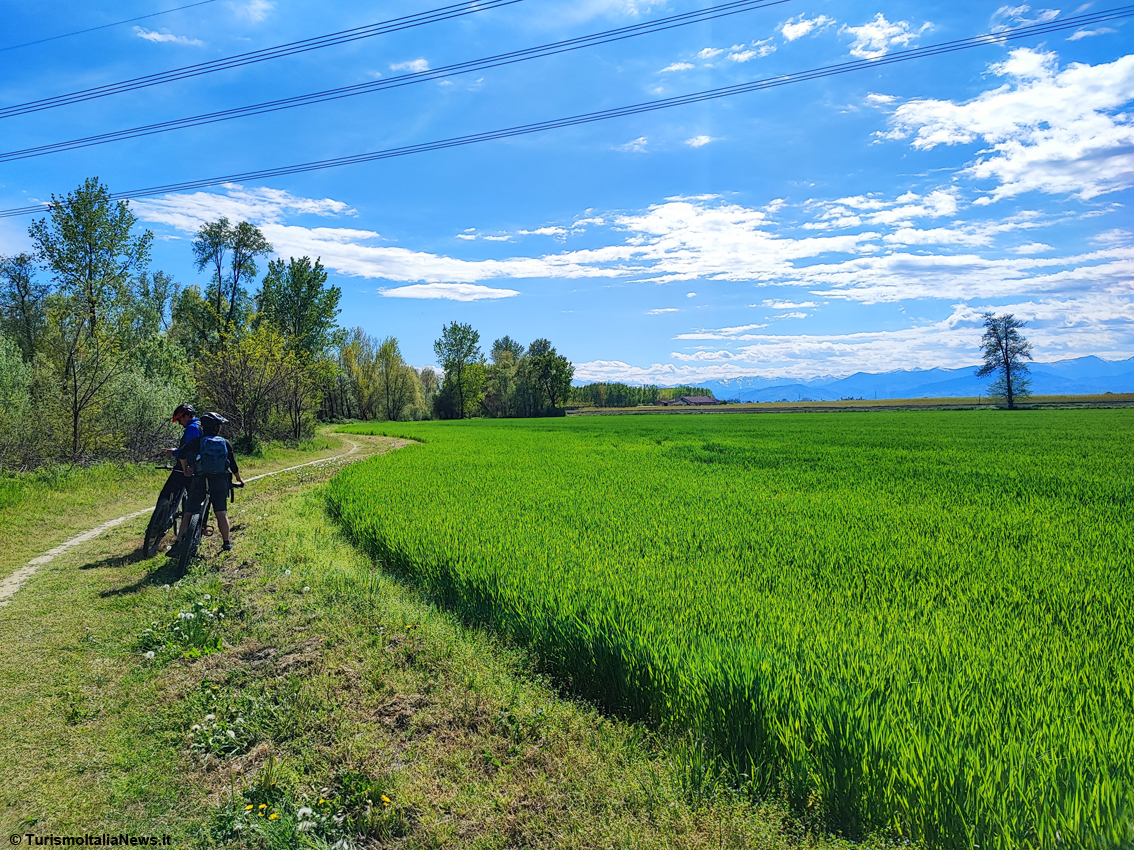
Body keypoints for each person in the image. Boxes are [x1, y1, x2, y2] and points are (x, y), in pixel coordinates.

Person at [170, 411, 244, 553]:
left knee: (188, 512)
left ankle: (178, 542)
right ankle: (226, 543)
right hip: (219, 481)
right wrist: (239, 478)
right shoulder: (225, 443)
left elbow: (182, 453)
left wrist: (186, 468)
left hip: (200, 480)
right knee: (221, 512)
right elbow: (232, 463)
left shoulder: (197, 441)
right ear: (217, 428)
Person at [155, 403, 201, 508]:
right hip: (197, 467)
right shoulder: (200, 425)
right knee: (193, 500)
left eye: (180, 419)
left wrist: (174, 453)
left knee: (165, 494)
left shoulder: (192, 428)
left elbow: (189, 450)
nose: (179, 423)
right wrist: (176, 450)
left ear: (187, 416)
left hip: (186, 467)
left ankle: (160, 517)